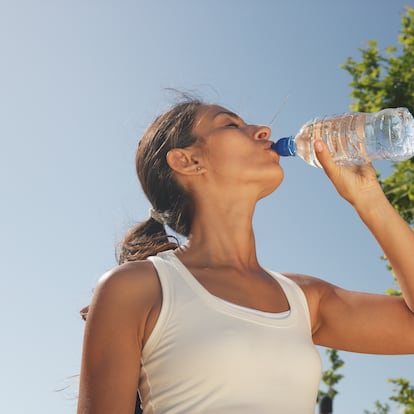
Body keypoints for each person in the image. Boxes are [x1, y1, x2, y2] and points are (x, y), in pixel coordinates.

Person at [77, 97, 414, 414]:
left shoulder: (304, 299)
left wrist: (368, 198)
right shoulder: (137, 287)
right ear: (188, 160)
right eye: (231, 125)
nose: (262, 131)